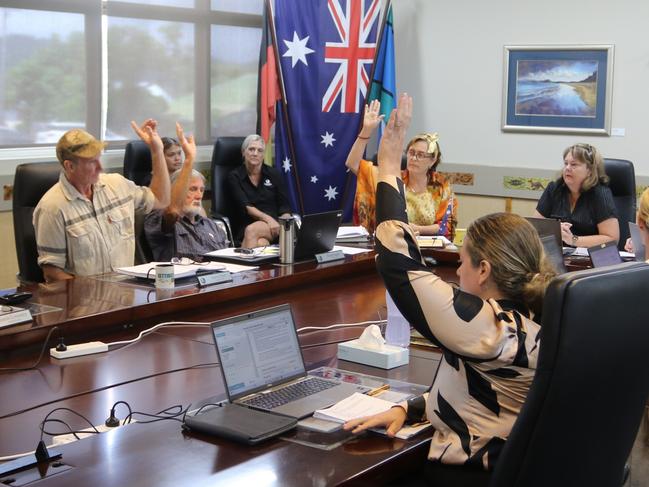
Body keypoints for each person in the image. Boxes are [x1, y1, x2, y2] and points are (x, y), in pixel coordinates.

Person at [343, 94, 556, 486]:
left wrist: (389, 165)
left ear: (485, 270)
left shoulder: (489, 328)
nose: (457, 267)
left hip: (465, 474)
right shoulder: (530, 317)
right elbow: (476, 386)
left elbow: (396, 262)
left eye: (464, 260)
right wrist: (411, 408)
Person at [33, 120, 171, 282]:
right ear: (70, 166)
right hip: (86, 301)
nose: (100, 167)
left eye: (99, 159)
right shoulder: (52, 208)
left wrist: (157, 150)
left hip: (127, 293)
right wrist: (93, 295)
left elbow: (161, 200)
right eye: (92, 162)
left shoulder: (117, 185)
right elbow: (52, 273)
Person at [345, 99, 457, 238]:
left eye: (421, 155)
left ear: (432, 160)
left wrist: (417, 229)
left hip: (428, 248)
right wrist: (366, 131)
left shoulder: (441, 185)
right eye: (411, 153)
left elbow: (448, 226)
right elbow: (353, 163)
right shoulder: (392, 177)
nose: (413, 158)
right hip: (391, 243)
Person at [144, 123, 227, 261]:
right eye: (192, 189)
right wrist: (189, 159)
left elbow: (230, 257)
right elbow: (172, 212)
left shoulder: (210, 225)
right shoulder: (163, 221)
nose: (199, 195)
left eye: (201, 190)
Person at [534, 143, 618, 247]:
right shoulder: (555, 189)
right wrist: (554, 230)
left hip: (591, 258)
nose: (567, 168)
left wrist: (573, 240)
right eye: (566, 163)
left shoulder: (600, 194)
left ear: (590, 171)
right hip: (557, 254)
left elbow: (611, 239)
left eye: (574, 164)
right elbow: (535, 227)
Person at [227, 134, 292, 248]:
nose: (255, 153)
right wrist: (268, 220)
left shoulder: (274, 174)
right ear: (243, 152)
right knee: (260, 243)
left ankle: (243, 265)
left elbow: (284, 206)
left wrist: (285, 228)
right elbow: (248, 208)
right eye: (251, 149)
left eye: (260, 150)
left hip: (274, 226)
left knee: (252, 231)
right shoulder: (234, 176)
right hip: (246, 225)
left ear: (263, 155)